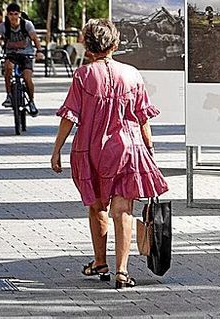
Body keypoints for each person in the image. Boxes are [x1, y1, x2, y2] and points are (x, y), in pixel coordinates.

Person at [50, 19, 169, 289]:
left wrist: (56, 149)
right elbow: (142, 117)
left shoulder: (83, 75)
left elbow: (70, 116)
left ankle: (100, 261)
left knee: (96, 206)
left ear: (88, 45)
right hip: (127, 149)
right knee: (123, 210)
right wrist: (149, 147)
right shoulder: (132, 74)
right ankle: (122, 271)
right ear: (115, 44)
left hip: (91, 149)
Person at [0, 3, 44, 116]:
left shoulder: (27, 24)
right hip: (11, 54)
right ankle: (9, 95)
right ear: (7, 15)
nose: (13, 17)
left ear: (19, 14)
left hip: (26, 54)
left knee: (27, 77)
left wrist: (39, 51)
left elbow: (35, 38)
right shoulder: (3, 26)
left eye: (16, 14)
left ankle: (31, 101)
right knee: (8, 68)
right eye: (10, 14)